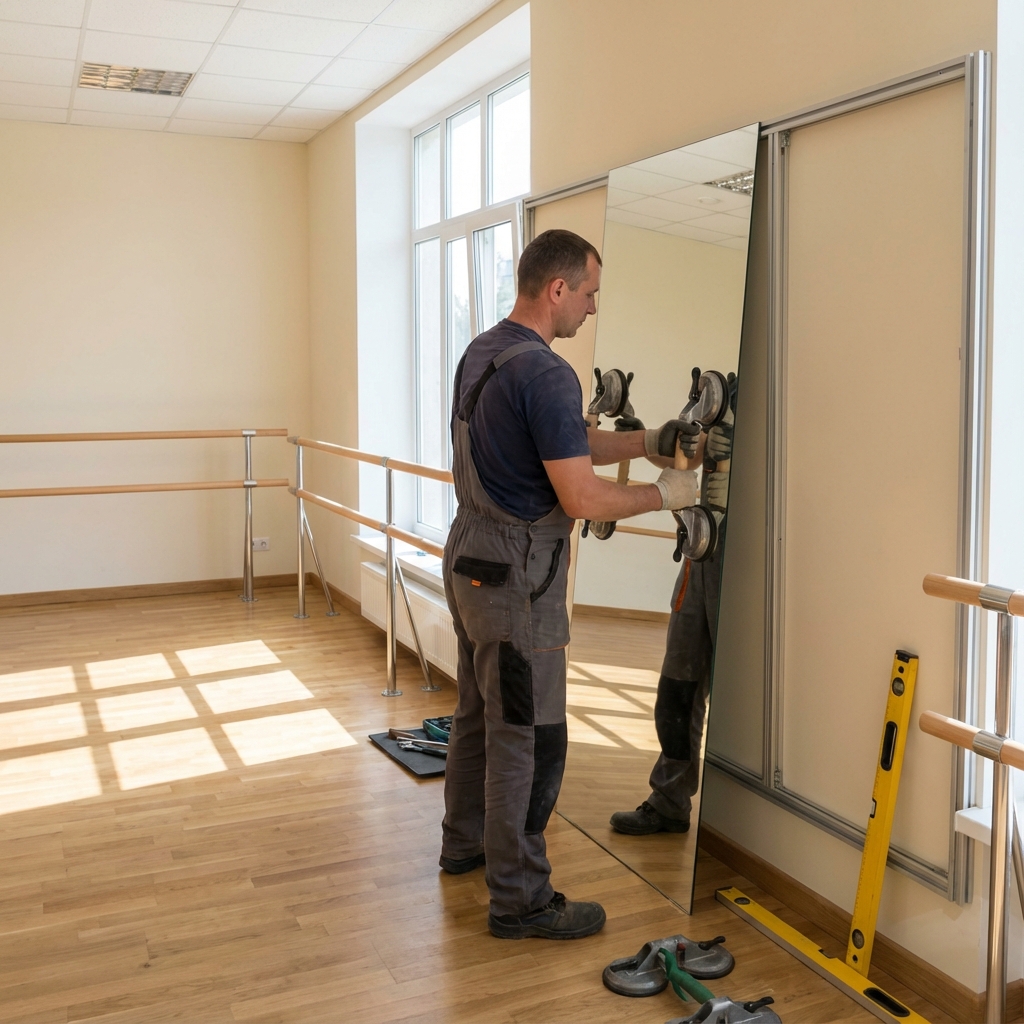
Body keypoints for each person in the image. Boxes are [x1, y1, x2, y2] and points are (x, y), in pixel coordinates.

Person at [439, 229, 702, 940]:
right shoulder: (549, 373)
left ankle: (463, 844)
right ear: (557, 289)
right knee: (529, 737)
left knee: (476, 717)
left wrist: (646, 444)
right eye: (587, 293)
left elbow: (562, 443)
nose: (590, 308)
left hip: (468, 556)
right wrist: (665, 494)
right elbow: (582, 498)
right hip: (518, 580)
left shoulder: (484, 351)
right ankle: (520, 898)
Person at [609, 386, 735, 836]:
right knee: (676, 693)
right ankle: (669, 802)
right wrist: (644, 439)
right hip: (700, 553)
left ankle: (744, 827)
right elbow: (691, 457)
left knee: (737, 702)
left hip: (744, 566)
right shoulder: (727, 396)